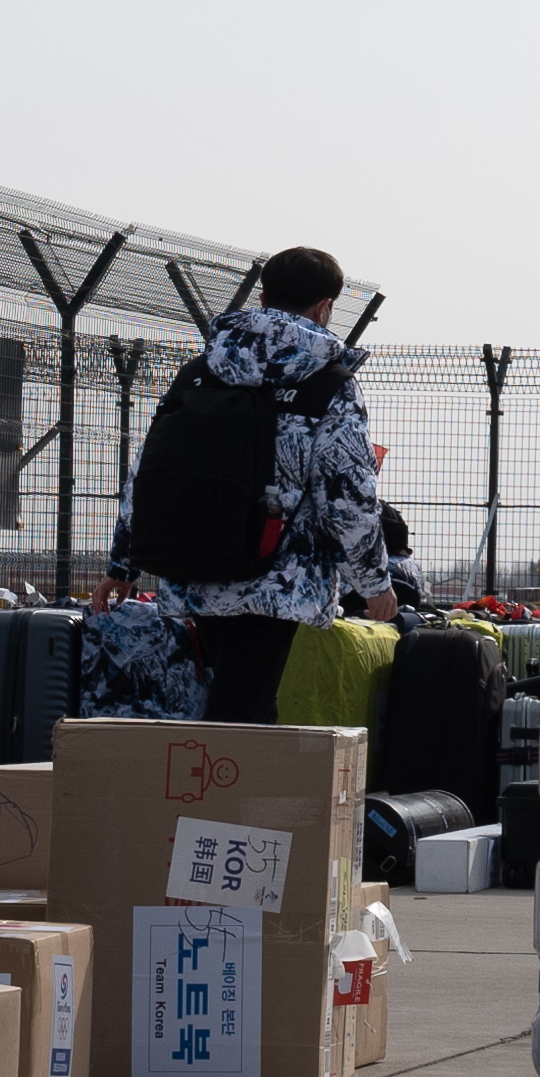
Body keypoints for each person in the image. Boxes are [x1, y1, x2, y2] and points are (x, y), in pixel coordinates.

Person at [161, 250, 387, 725]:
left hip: (195, 562)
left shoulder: (201, 371)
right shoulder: (329, 382)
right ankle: (231, 797)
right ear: (325, 307)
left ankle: (209, 791)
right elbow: (346, 494)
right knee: (246, 713)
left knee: (234, 701)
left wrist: (123, 562)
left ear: (262, 298)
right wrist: (373, 582)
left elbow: (153, 467)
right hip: (276, 576)